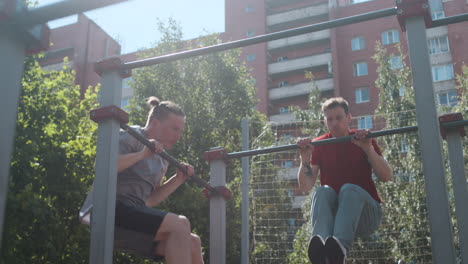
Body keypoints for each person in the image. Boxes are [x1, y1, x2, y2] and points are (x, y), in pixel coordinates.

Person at [296, 97, 392, 264]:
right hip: (335, 219)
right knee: (322, 191)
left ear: (349, 118)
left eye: (339, 118)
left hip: (366, 215)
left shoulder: (362, 139)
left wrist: (368, 148)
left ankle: (338, 251)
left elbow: (386, 176)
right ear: (325, 121)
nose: (334, 123)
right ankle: (324, 254)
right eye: (330, 119)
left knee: (348, 189)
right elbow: (306, 186)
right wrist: (304, 158)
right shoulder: (320, 144)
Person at [113, 96, 203, 264]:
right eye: (174, 129)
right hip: (112, 210)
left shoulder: (163, 158)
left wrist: (177, 179)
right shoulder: (131, 135)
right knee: (180, 223)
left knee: (193, 241)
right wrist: (142, 155)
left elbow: (150, 200)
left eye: (180, 131)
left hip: (134, 216)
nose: (178, 136)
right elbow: (105, 166)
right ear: (155, 123)